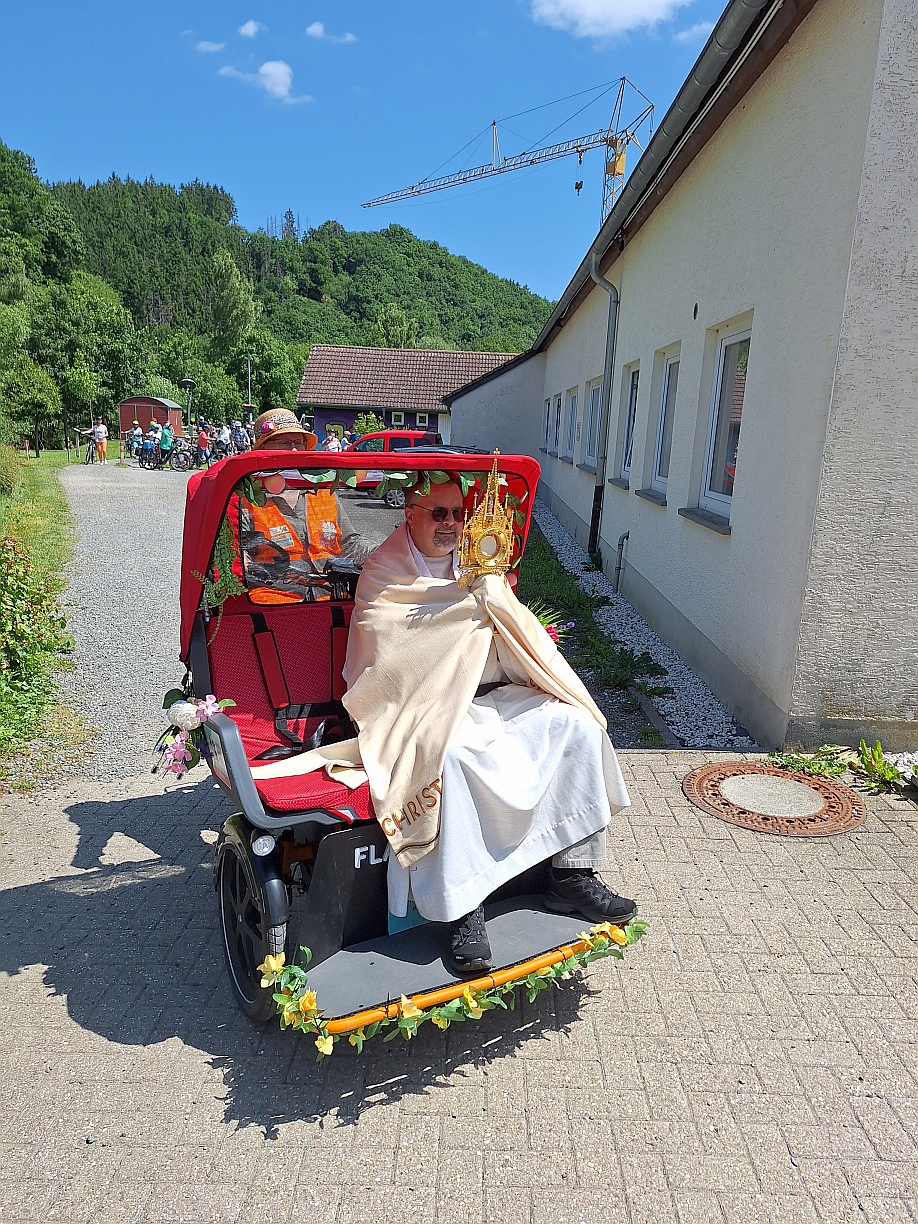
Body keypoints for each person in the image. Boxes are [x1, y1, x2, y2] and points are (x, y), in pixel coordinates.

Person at [341, 470, 636, 975]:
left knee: (576, 725)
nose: (452, 523)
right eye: (439, 513)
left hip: (491, 697)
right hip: (421, 708)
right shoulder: (384, 576)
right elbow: (384, 668)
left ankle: (572, 874)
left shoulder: (481, 565)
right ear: (409, 513)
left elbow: (510, 637)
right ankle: (461, 910)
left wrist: (494, 602)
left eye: (459, 513)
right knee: (448, 758)